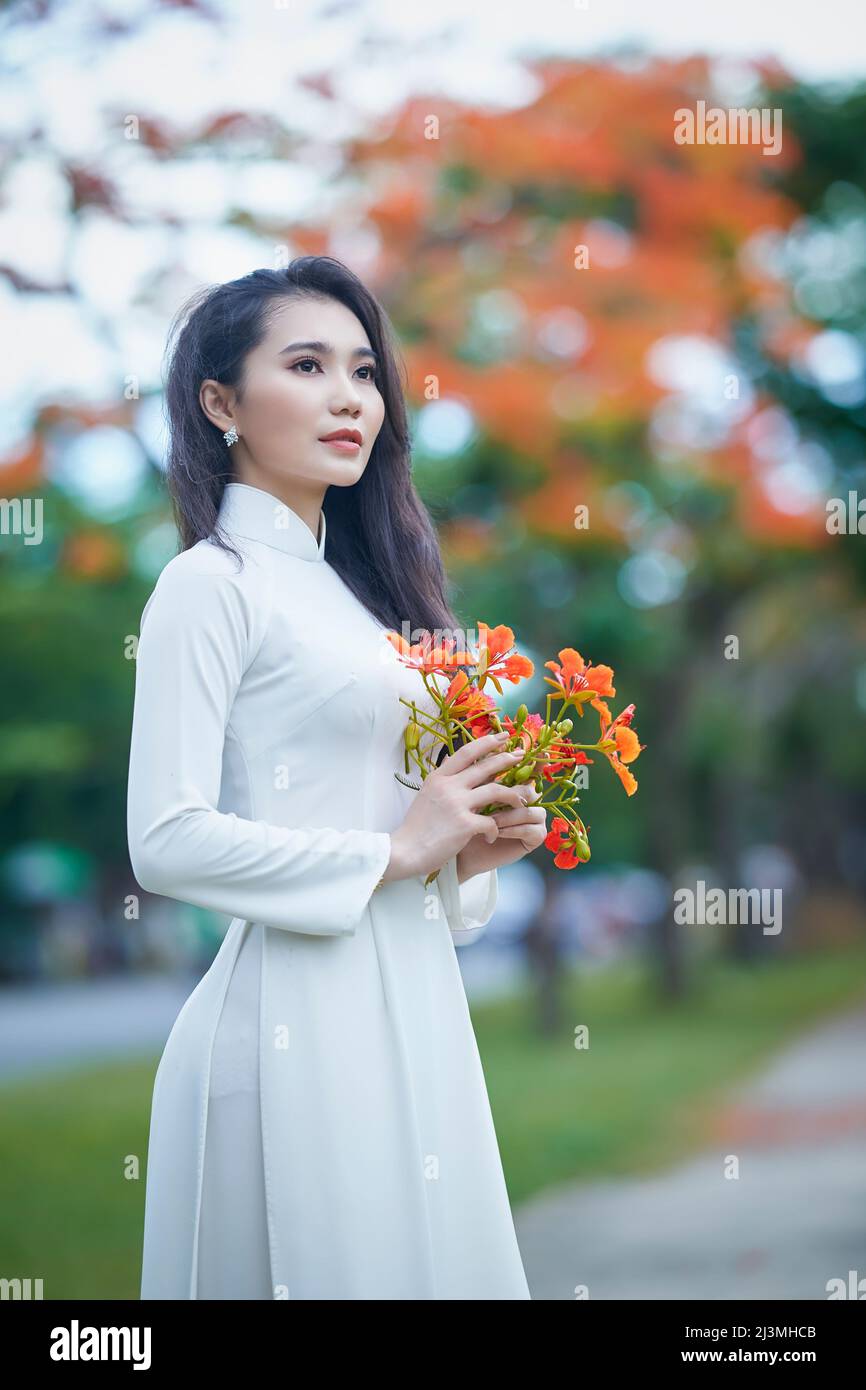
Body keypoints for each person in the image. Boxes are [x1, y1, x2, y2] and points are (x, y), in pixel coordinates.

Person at [127, 255, 546, 1300]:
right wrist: (398, 848)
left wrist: (463, 851)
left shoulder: (371, 603)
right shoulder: (208, 584)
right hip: (290, 1022)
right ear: (219, 402)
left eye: (363, 371)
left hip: (413, 997)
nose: (348, 396)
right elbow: (164, 837)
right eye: (307, 365)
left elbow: (402, 847)